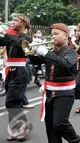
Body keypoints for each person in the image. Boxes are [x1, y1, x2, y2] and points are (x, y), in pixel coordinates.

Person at [34, 23, 80, 143]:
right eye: (52, 35)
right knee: (50, 126)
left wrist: (45, 53)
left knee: (59, 123)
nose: (53, 37)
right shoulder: (52, 52)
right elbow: (36, 61)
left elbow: (64, 63)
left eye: (56, 34)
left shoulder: (71, 52)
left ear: (66, 36)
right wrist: (32, 51)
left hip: (65, 93)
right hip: (50, 92)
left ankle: (75, 140)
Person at [0, 13, 33, 141]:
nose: (12, 22)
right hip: (11, 70)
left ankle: (25, 126)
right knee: (13, 101)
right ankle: (16, 128)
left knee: (11, 102)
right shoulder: (13, 36)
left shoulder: (27, 37)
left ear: (23, 23)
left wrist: (4, 31)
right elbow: (3, 41)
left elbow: (18, 43)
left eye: (15, 20)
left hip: (20, 70)